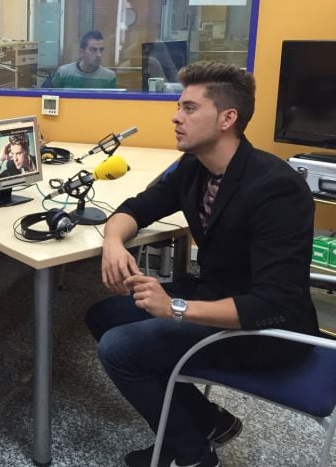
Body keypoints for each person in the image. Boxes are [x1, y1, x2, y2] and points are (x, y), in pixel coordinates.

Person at [84, 61, 318, 467]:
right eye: (179, 105)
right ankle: (208, 422)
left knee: (118, 348)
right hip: (215, 295)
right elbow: (136, 208)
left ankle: (192, 458)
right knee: (103, 316)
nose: (175, 116)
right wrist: (113, 242)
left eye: (189, 108)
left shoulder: (276, 188)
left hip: (267, 331)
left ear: (228, 118)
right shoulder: (195, 166)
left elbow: (272, 304)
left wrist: (174, 308)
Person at [44, 29, 117, 89]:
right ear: (82, 52)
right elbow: (48, 98)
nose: (99, 55)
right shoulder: (63, 72)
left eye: (101, 50)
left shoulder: (109, 77)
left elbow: (113, 104)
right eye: (93, 50)